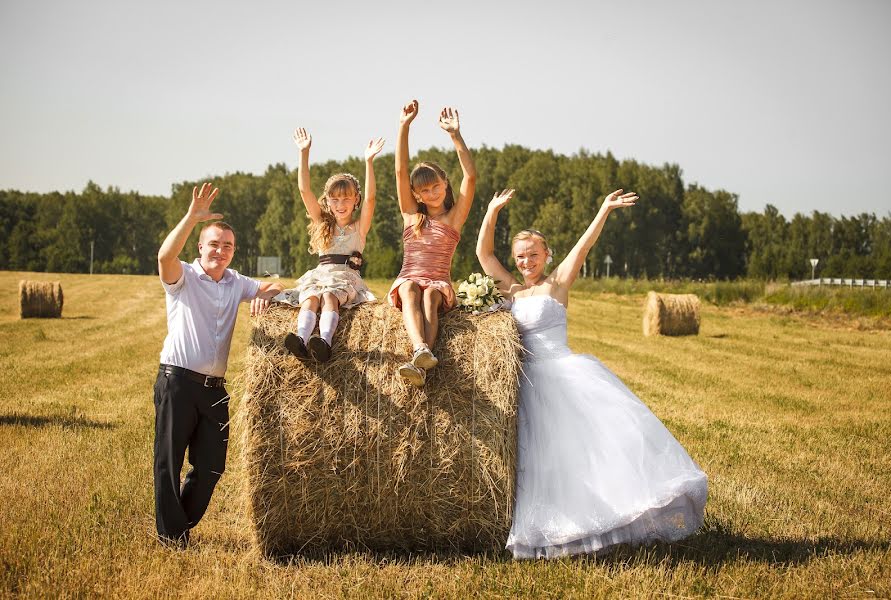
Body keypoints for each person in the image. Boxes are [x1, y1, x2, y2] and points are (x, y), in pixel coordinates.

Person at [476, 188, 708, 559]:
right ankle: (552, 527)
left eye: (533, 255)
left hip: (565, 376)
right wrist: (491, 210)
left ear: (546, 254)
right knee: (541, 461)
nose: (526, 262)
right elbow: (483, 254)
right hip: (528, 381)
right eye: (520, 257)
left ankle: (605, 518)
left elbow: (584, 245)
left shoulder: (558, 284)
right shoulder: (513, 290)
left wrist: (603, 209)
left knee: (585, 451)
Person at [154, 182, 284, 548]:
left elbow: (272, 286)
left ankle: (178, 524)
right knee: (168, 461)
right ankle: (172, 537)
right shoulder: (183, 277)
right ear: (199, 247)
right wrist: (192, 217)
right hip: (177, 381)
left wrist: (266, 296)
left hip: (213, 389)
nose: (221, 251)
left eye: (227, 246)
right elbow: (164, 257)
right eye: (214, 244)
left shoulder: (233, 282)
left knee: (212, 466)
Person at [389, 99, 476, 387]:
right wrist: (403, 127)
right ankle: (421, 351)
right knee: (411, 289)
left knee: (430, 296)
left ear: (445, 183)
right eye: (424, 190)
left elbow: (471, 177)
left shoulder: (453, 218)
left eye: (436, 185)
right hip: (409, 277)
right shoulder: (411, 216)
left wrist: (455, 135)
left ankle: (420, 356)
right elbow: (401, 171)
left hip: (439, 282)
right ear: (416, 195)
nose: (432, 192)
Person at [277, 128, 384, 362]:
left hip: (344, 277)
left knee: (328, 297)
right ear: (327, 201)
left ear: (355, 199)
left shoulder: (359, 228)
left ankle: (324, 341)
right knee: (311, 297)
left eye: (346, 198)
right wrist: (304, 153)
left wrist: (369, 162)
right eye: (335, 199)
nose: (341, 204)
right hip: (320, 275)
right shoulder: (322, 223)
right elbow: (304, 190)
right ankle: (301, 340)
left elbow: (372, 199)